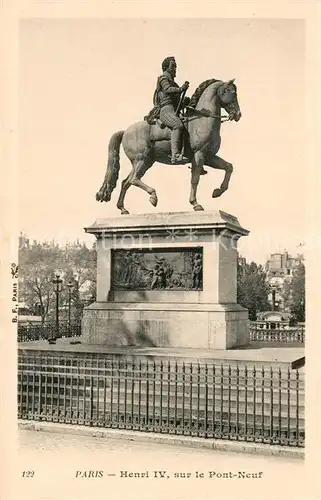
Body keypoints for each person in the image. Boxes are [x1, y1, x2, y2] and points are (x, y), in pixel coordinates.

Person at [153, 56, 190, 163]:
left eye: (175, 66)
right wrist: (180, 89)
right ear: (166, 68)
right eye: (172, 66)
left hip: (173, 110)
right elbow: (168, 90)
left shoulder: (174, 84)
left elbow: (177, 102)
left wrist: (185, 102)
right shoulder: (163, 79)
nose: (175, 69)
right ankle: (175, 155)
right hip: (165, 110)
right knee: (177, 125)